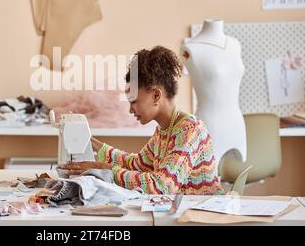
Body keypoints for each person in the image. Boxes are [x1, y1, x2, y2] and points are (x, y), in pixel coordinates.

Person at [59, 46, 224, 195]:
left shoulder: (190, 130)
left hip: (204, 216)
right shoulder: (164, 130)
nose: (130, 110)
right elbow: (137, 164)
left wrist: (105, 169)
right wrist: (91, 141)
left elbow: (162, 186)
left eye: (134, 101)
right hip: (182, 213)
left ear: (156, 95)